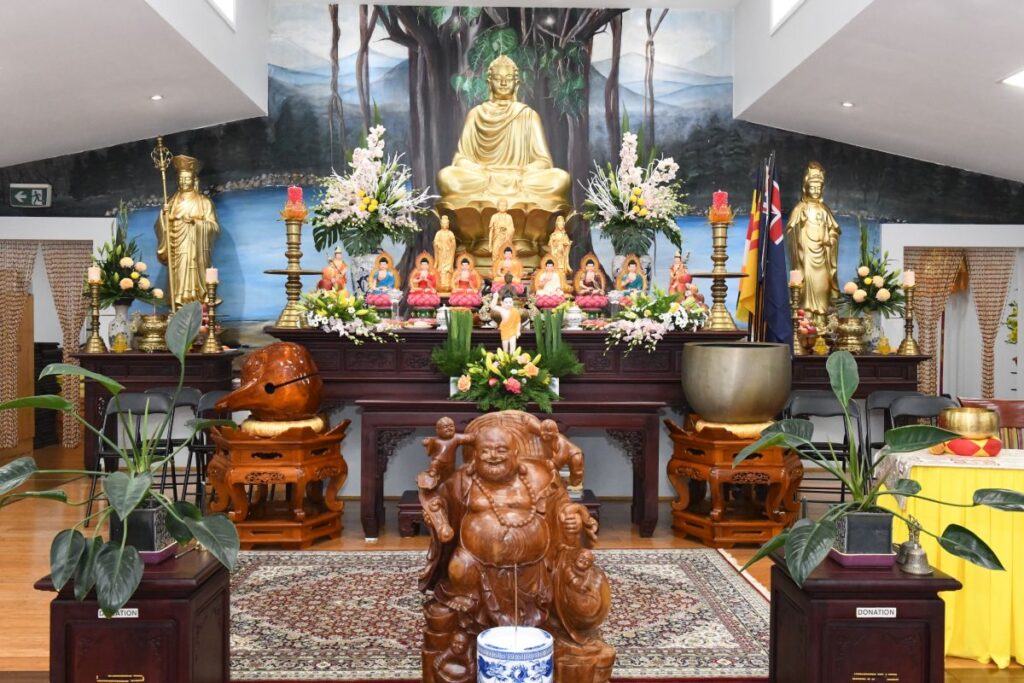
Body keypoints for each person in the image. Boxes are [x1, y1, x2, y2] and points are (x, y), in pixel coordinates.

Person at [436, 55, 571, 212]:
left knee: (560, 179)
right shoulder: (476, 114)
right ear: (489, 82)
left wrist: (522, 171)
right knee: (446, 177)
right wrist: (482, 170)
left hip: (520, 178)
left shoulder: (528, 115)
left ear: (516, 83)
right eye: (498, 79)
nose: (503, 83)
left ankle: (493, 200)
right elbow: (460, 159)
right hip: (483, 177)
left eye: (508, 79)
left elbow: (544, 161)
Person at [154, 155, 220, 307]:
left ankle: (199, 303)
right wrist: (163, 216)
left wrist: (196, 223)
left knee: (195, 277)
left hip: (196, 250)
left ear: (194, 179)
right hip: (177, 249)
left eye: (187, 179)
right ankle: (177, 305)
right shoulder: (171, 202)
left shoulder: (204, 202)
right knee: (178, 278)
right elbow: (160, 226)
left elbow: (214, 227)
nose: (183, 182)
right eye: (181, 179)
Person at [786, 161, 840, 327]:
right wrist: (798, 231)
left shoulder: (824, 210)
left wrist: (830, 240)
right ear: (805, 187)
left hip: (822, 258)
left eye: (818, 187)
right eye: (812, 187)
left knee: (822, 287)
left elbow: (835, 231)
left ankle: (822, 322)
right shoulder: (800, 209)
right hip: (806, 258)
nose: (816, 191)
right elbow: (790, 231)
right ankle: (805, 323)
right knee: (805, 289)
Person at [433, 215, 456, 293]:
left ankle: (447, 284)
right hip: (441, 254)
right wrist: (438, 244)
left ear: (448, 224)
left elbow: (454, 243)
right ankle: (441, 283)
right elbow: (435, 242)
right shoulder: (438, 233)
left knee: (447, 269)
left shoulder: (450, 233)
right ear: (441, 224)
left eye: (446, 223)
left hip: (448, 254)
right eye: (443, 223)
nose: (445, 225)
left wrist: (450, 246)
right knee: (441, 269)